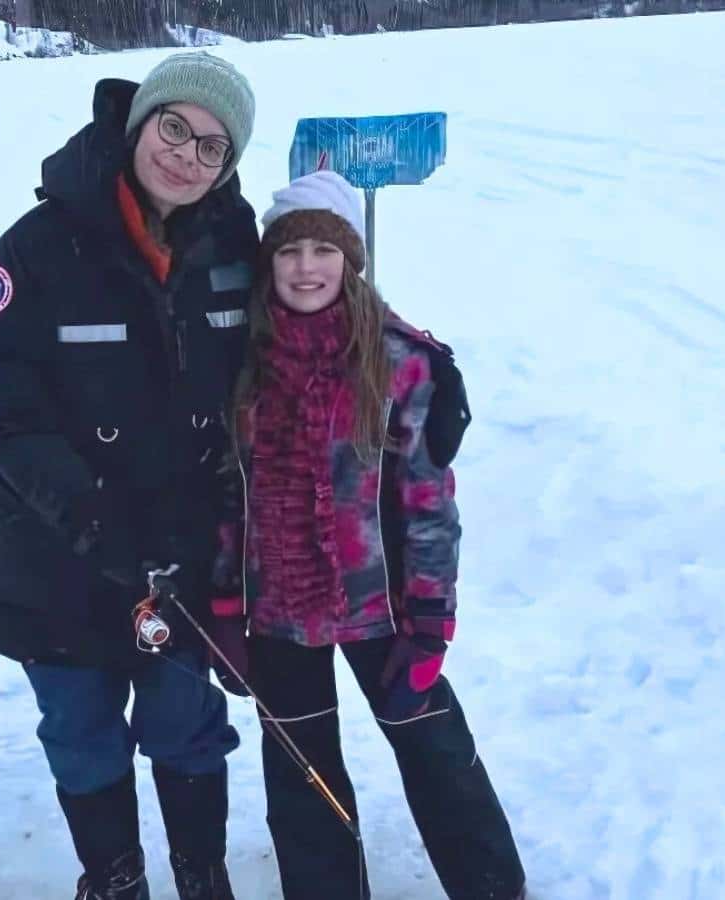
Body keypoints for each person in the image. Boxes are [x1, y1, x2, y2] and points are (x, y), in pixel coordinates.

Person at [0, 51, 260, 900]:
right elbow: (1, 409)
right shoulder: (38, 248)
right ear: (139, 123)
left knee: (186, 726)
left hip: (178, 553)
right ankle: (116, 878)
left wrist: (407, 360)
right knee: (82, 730)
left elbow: (310, 322)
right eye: (175, 128)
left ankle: (204, 876)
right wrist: (87, 513)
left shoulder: (237, 244)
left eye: (213, 148)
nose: (187, 157)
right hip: (56, 556)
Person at [209, 170, 528, 900]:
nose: (307, 267)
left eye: (325, 249)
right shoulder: (243, 364)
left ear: (350, 260)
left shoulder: (400, 362)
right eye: (290, 252)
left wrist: (431, 625)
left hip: (384, 610)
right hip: (279, 612)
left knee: (438, 754)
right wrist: (225, 604)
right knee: (302, 779)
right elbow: (228, 492)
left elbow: (427, 507)